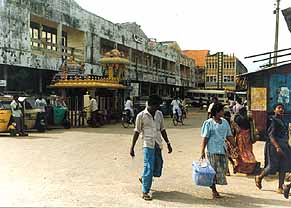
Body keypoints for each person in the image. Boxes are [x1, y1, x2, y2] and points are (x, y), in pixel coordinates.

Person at [130, 94, 173, 201]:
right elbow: (137, 131)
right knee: (149, 166)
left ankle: (145, 178)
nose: (157, 108)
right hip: (148, 144)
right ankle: (145, 191)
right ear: (150, 105)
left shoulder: (159, 114)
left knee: (158, 165)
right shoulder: (141, 116)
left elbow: (162, 129)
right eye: (156, 106)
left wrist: (168, 143)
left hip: (157, 143)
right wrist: (132, 147)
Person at [201, 103, 235, 198]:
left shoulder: (224, 122)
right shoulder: (208, 123)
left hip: (222, 150)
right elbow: (205, 138)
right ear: (216, 112)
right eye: (221, 110)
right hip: (212, 150)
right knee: (213, 172)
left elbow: (229, 135)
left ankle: (213, 186)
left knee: (223, 170)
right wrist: (202, 151)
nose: (223, 112)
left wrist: (235, 146)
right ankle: (214, 190)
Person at [255, 103, 291, 194]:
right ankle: (259, 177)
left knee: (283, 166)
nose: (281, 110)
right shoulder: (273, 120)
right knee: (272, 166)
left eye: (282, 108)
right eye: (278, 108)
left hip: (284, 145)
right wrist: (277, 147)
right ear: (274, 110)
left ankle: (280, 187)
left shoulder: (283, 120)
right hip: (274, 146)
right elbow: (271, 135)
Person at [233, 107, 260, 174]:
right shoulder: (249, 118)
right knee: (248, 151)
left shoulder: (237, 118)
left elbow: (234, 128)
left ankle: (241, 167)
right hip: (248, 137)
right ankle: (250, 166)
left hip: (240, 137)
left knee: (241, 152)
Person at [223, 111, 237, 176]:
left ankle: (227, 170)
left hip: (225, 141)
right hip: (231, 141)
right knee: (228, 155)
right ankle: (233, 164)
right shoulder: (232, 123)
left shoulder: (223, 123)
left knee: (226, 156)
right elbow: (238, 130)